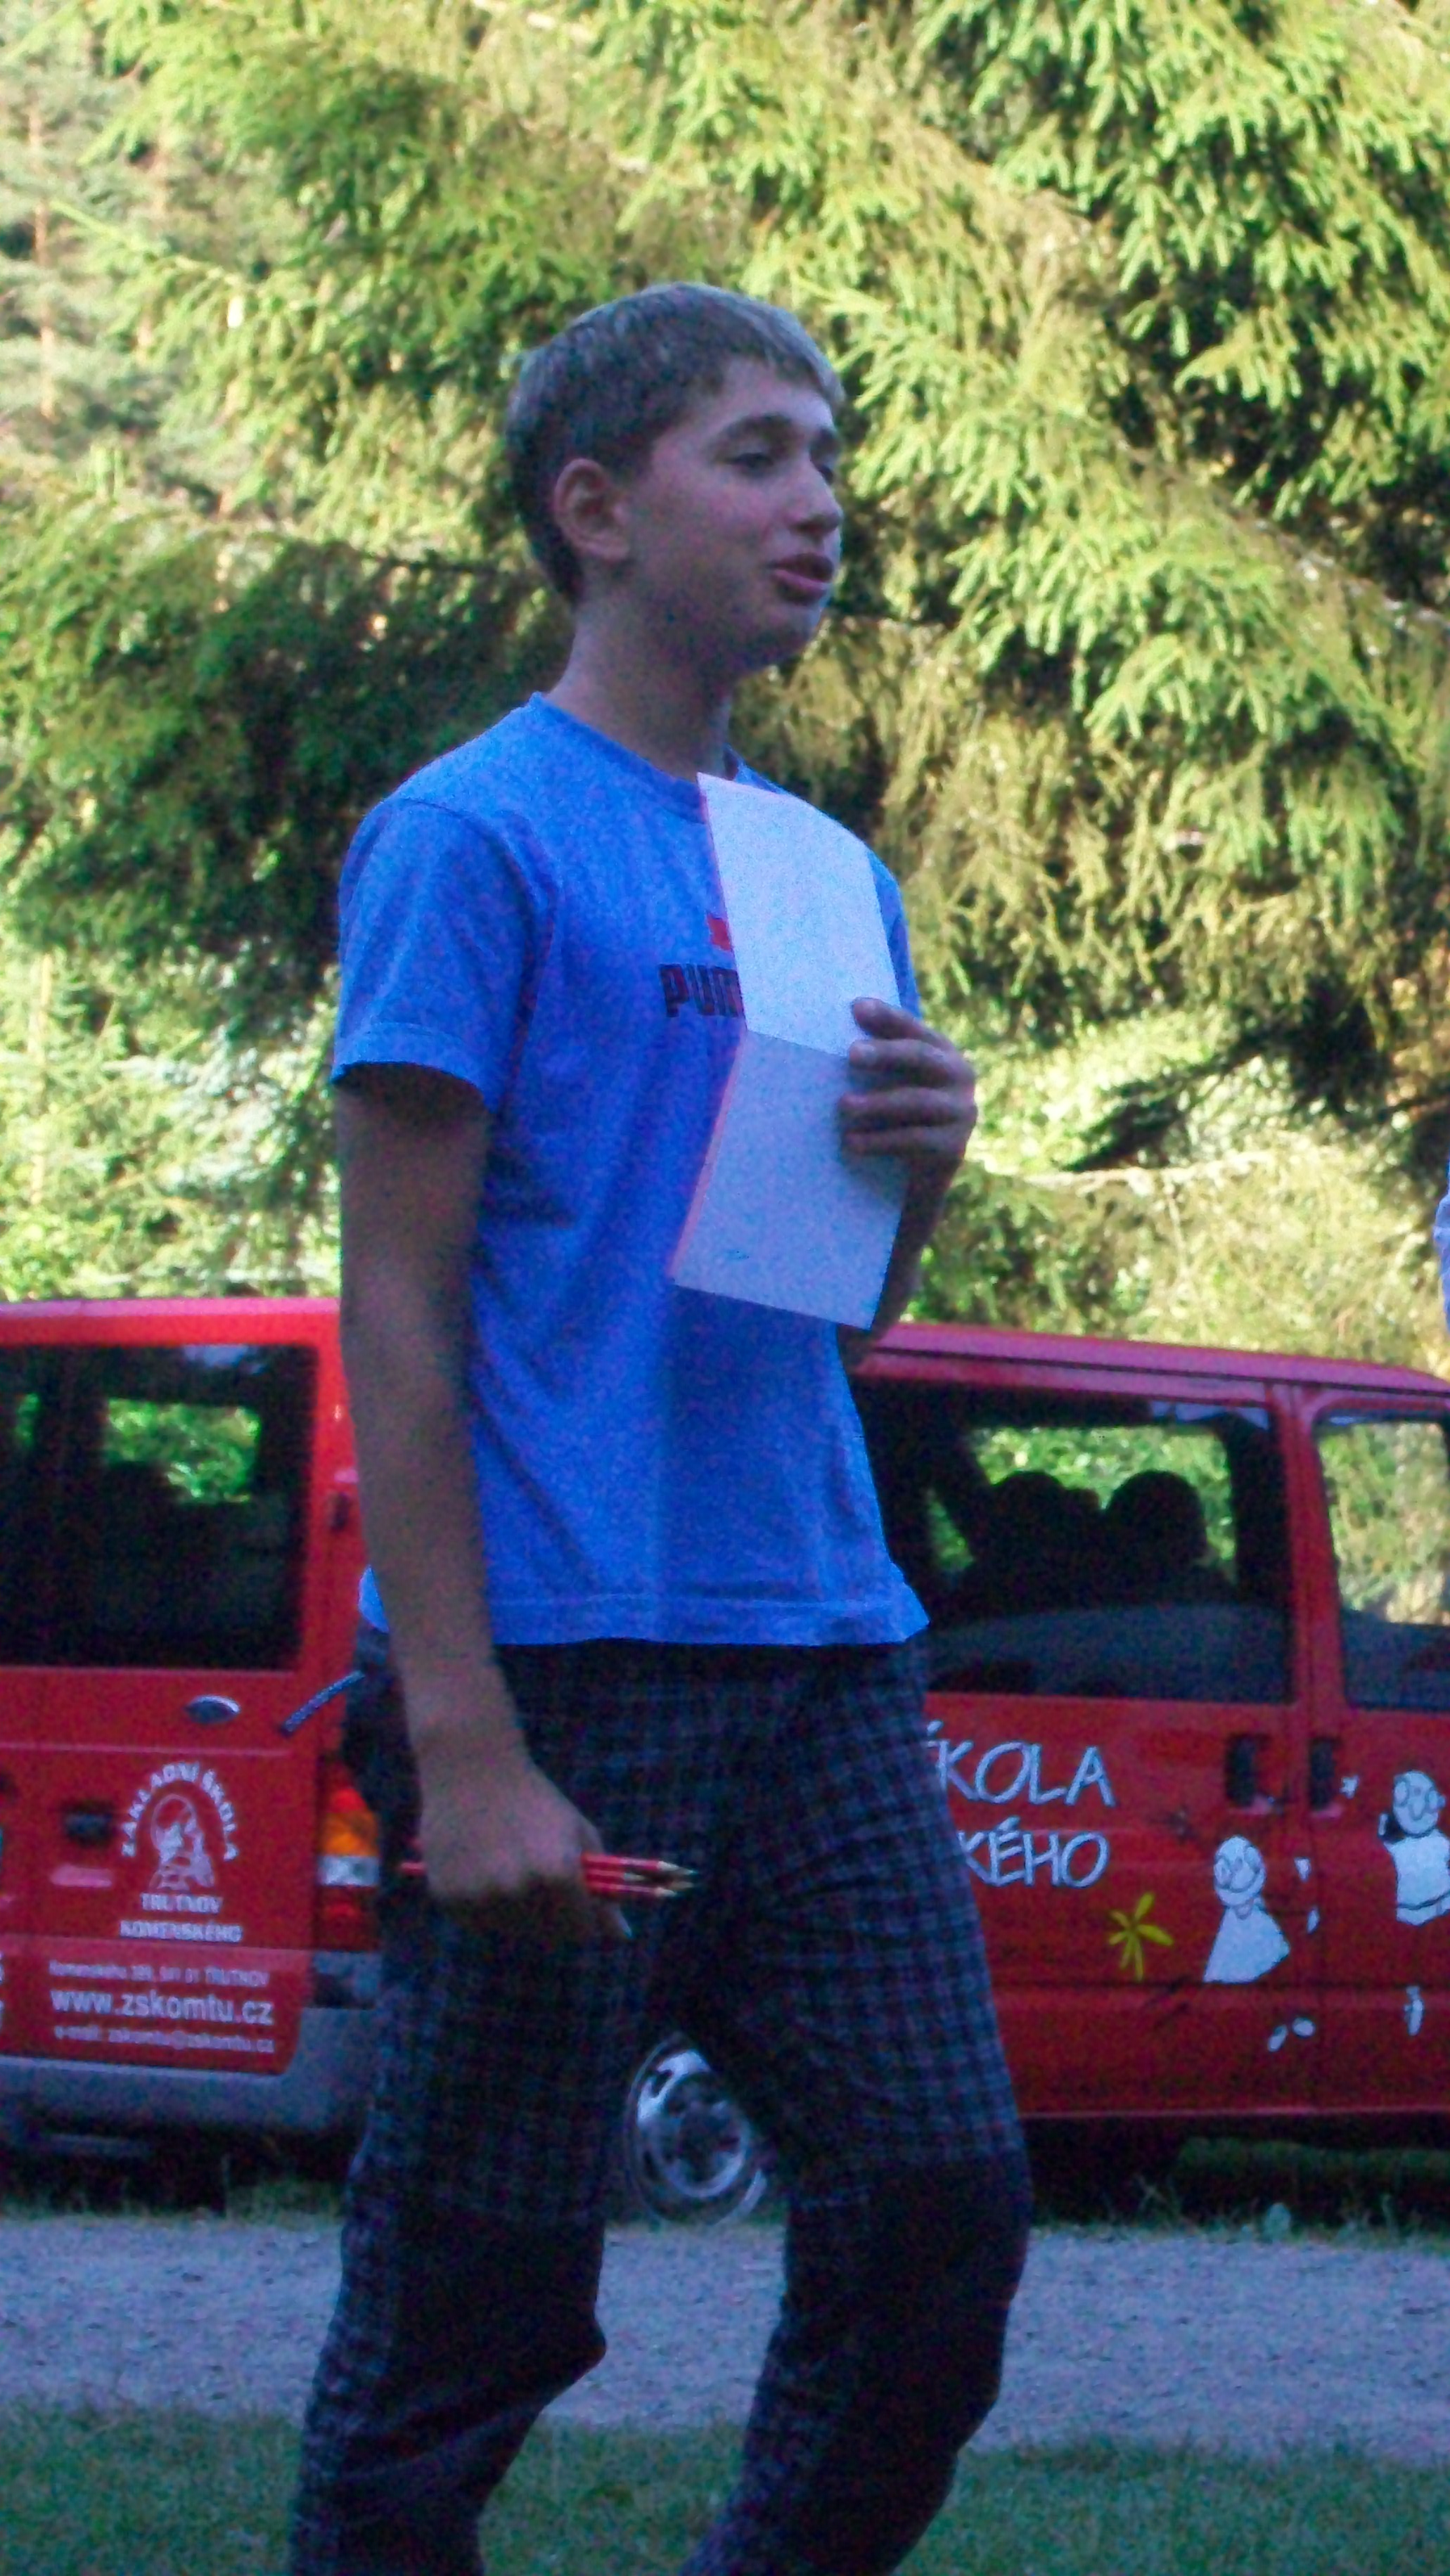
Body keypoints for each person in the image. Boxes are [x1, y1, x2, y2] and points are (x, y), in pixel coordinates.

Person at [290, 281, 1031, 2576]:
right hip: (563, 1670)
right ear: (597, 510)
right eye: (759, 454)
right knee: (475, 2303)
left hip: (820, 1650)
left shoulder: (823, 871)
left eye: (831, 459)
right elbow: (397, 1304)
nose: (820, 506)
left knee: (940, 2206)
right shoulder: (470, 836)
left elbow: (837, 1316)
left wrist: (926, 1172)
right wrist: (465, 1743)